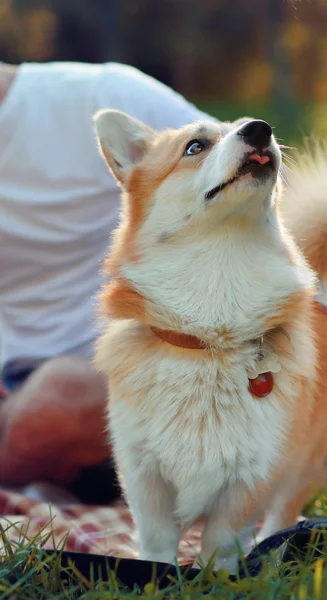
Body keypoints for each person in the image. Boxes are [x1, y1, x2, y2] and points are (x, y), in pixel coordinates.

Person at [0, 61, 214, 493]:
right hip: (12, 390)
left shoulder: (104, 97)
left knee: (53, 402)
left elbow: (265, 185)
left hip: (121, 377)